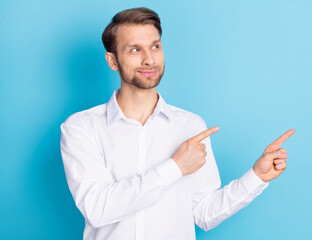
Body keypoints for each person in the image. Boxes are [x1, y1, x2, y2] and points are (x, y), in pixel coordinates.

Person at [60, 7, 295, 240]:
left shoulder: (190, 126)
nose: (149, 59)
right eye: (135, 50)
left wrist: (256, 177)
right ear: (113, 61)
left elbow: (204, 213)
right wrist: (175, 167)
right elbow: (98, 209)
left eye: (155, 46)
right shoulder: (82, 127)